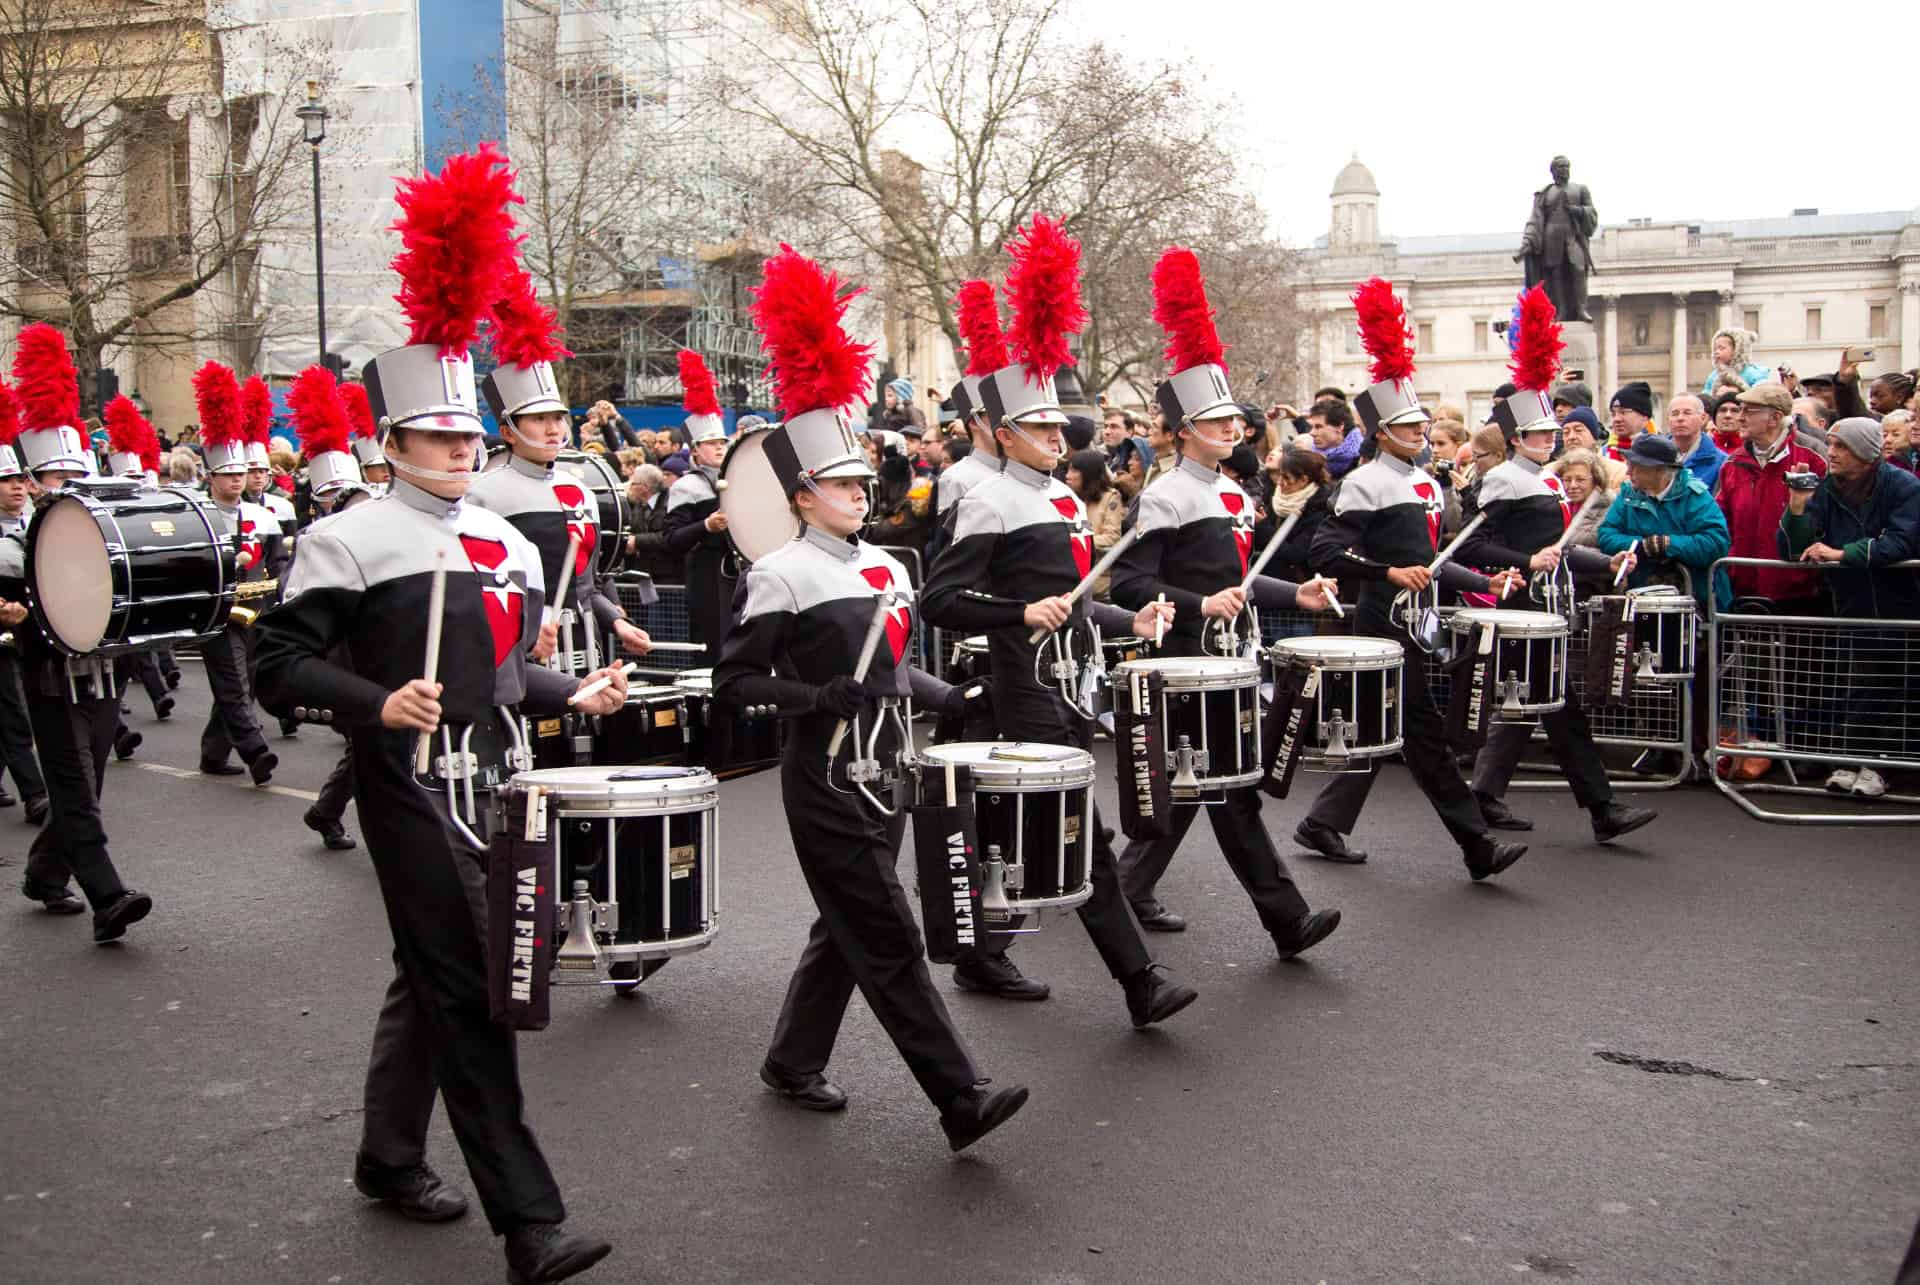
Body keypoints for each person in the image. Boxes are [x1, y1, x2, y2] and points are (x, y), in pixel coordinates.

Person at [252, 146, 620, 1285]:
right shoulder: (348, 537)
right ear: (392, 443)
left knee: (437, 972)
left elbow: (500, 684)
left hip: (498, 785)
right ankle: (531, 1223)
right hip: (408, 790)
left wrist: (572, 690)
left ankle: (385, 1154)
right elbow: (276, 662)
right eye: (440, 438)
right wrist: (378, 699)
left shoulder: (506, 540)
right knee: (472, 988)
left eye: (470, 437)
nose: (462, 451)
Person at [714, 259, 1029, 1143]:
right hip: (823, 778)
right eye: (844, 485)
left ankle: (791, 1059)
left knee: (846, 923)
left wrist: (951, 692)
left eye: (864, 483)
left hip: (889, 771)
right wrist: (816, 692)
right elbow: (733, 686)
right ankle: (959, 1096)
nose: (863, 494)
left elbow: (892, 673)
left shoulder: (890, 567)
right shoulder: (776, 574)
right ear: (802, 494)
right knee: (886, 931)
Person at [922, 214, 1195, 1028]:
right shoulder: (979, 494)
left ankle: (979, 949)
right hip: (1024, 687)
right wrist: (1017, 610)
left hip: (1074, 682)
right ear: (1000, 430)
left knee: (1041, 825)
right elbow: (941, 600)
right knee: (1080, 830)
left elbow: (1070, 597)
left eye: (1057, 426)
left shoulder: (1062, 496)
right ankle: (1138, 982)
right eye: (1040, 427)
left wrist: (1125, 614)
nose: (1057, 436)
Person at [1108, 254, 1342, 951]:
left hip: (1231, 657)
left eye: (1231, 421)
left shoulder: (1240, 494)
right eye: (1213, 423)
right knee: (1222, 789)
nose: (1230, 431)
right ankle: (1286, 918)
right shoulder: (1164, 493)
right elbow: (1127, 584)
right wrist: (1198, 601)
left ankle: (1125, 895)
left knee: (1204, 787)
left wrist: (1289, 590)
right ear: (1183, 430)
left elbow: (1240, 580)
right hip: (1181, 659)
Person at [1295, 279, 1527, 878]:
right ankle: (1477, 846)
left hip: (1418, 620)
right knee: (1421, 736)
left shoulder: (1427, 482)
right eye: (1411, 427)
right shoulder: (1364, 482)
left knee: (1389, 728)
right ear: (1382, 432)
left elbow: (1432, 555)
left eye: (1424, 425)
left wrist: (1482, 578)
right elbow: (1327, 549)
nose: (1422, 434)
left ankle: (1323, 823)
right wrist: (1387, 570)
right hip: (1380, 619)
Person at [1457, 359, 1657, 842]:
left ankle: (1485, 795)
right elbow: (1470, 546)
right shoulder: (1504, 479)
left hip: (1552, 603)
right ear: (1516, 438)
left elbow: (1561, 548)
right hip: (1524, 606)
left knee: (1541, 705)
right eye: (1538, 434)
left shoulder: (1546, 478)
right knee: (1557, 705)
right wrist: (1526, 561)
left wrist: (1603, 564)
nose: (1550, 440)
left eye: (1551, 432)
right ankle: (1601, 808)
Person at [4, 322, 152, 939]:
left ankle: (43, 873)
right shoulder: (17, 541)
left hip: (103, 664)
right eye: (48, 481)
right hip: (45, 671)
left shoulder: (98, 527)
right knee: (74, 785)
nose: (67, 491)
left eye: (73, 478)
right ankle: (108, 897)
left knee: (87, 777)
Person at [470, 288, 651, 688]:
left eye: (558, 417)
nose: (553, 428)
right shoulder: (482, 496)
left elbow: (591, 581)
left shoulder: (579, 489)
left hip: (586, 649)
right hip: (521, 658)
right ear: (507, 432)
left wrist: (617, 622)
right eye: (538, 419)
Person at [1779, 416, 1920, 794]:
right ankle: (1851, 760)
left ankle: (1883, 767)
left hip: (1901, 603)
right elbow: (1792, 549)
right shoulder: (1827, 489)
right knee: (1857, 685)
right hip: (1850, 604)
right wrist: (1796, 507)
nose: (1832, 453)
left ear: (1863, 452)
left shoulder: (1903, 485)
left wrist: (1842, 554)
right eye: (1831, 444)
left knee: (1897, 687)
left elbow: (1901, 542)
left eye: (1840, 446)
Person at [191, 362, 282, 785]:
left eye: (240, 474)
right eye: (226, 474)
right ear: (210, 477)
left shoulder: (263, 515)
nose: (234, 481)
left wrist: (276, 597)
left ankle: (213, 752)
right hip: (216, 614)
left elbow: (279, 561)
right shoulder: (198, 517)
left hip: (256, 610)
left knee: (241, 684)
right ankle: (256, 752)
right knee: (232, 683)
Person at [1718, 382, 1828, 612]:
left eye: (1749, 411)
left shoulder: (1814, 457)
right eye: (1741, 409)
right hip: (1744, 590)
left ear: (1775, 418)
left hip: (1799, 593)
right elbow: (1721, 519)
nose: (1740, 417)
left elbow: (1827, 522)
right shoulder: (1732, 463)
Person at [1596, 434, 1731, 608]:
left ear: (1659, 470)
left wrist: (1669, 544)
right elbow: (1606, 534)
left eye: (1635, 467)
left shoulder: (1694, 496)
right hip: (1642, 598)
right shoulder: (1628, 494)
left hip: (1697, 601)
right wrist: (1641, 546)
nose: (1628, 472)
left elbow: (1716, 543)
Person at [661, 360, 735, 658]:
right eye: (711, 443)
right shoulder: (685, 486)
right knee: (713, 648)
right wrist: (706, 526)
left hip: (738, 576)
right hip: (707, 579)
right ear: (694, 452)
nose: (719, 447)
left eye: (722, 442)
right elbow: (671, 539)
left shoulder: (739, 478)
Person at [0, 424, 47, 821]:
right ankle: (36, 794)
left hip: (32, 632)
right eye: (6, 480)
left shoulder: (40, 525)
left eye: (20, 479)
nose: (17, 487)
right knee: (14, 713)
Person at [1065, 448, 1124, 598]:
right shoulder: (1067, 498)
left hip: (1098, 580)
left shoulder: (1110, 498)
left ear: (1088, 473)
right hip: (1072, 575)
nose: (1067, 476)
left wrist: (1078, 540)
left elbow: (1112, 538)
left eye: (1074, 471)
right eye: (1068, 470)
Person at [621, 463, 677, 582]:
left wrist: (637, 540)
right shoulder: (638, 504)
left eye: (633, 483)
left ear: (644, 487)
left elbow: (670, 536)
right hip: (644, 573)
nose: (630, 487)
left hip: (667, 575)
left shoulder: (671, 503)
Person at [1665, 392, 1727, 491]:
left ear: (1702, 418)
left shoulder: (1721, 462)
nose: (1680, 418)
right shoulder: (1653, 457)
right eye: (1675, 414)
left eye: (1687, 413)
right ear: (1668, 419)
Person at [1553, 448, 1613, 548]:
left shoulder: (1610, 506)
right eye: (1567, 480)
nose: (1573, 485)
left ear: (1596, 480)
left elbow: (1594, 539)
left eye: (1580, 480)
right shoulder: (1558, 504)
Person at [1703, 327, 1771, 398]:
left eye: (1721, 348)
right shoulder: (1714, 375)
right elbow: (1706, 396)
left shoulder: (1751, 373)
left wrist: (1738, 390)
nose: (1716, 352)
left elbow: (1761, 393)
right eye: (1715, 348)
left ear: (1737, 350)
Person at [1306, 396, 1364, 478]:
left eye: (1318, 427)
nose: (1312, 433)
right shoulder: (1310, 461)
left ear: (1340, 427)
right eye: (1311, 427)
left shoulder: (1364, 459)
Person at [1607, 381, 1654, 457]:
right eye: (1613, 414)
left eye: (1623, 412)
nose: (1616, 419)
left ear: (1644, 417)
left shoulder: (1657, 453)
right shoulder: (1604, 454)